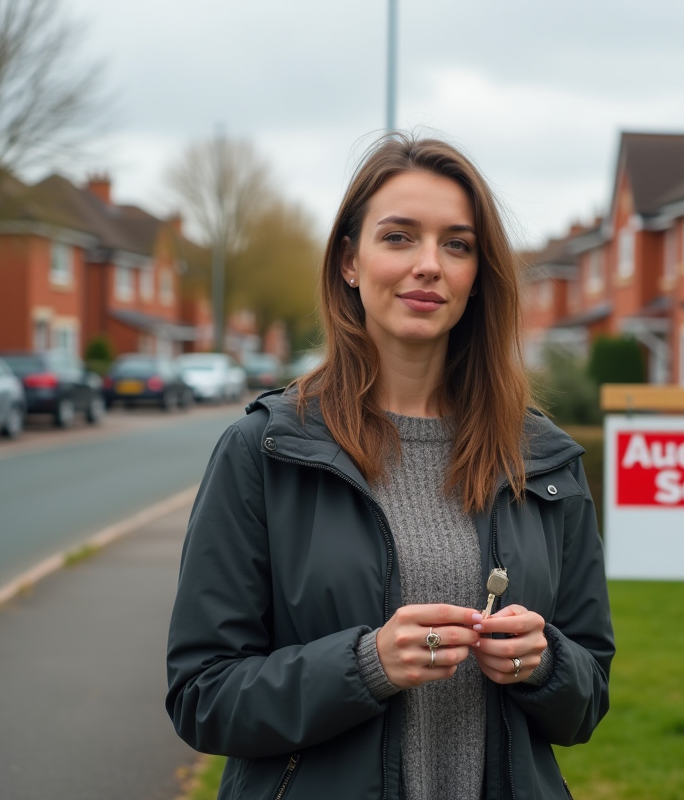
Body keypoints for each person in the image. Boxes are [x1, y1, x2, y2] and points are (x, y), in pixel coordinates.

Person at [166, 134, 614, 800]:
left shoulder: (540, 457)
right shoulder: (263, 451)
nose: (429, 264)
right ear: (350, 261)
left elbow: (589, 696)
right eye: (399, 237)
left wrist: (545, 662)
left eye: (457, 244)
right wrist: (365, 665)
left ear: (477, 275)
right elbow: (202, 695)